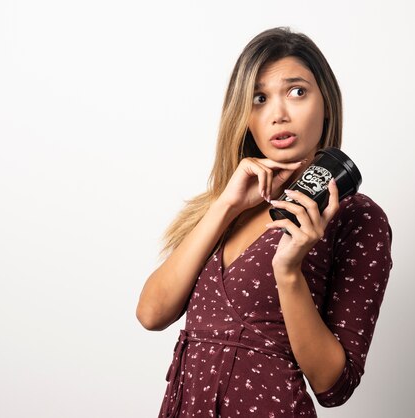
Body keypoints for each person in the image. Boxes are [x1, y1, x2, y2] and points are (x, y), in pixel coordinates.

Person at [136, 27, 393, 417]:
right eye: (259, 98)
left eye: (297, 92)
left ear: (326, 103)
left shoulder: (357, 218)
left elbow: (332, 385)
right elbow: (151, 313)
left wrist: (289, 273)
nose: (278, 114)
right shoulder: (227, 203)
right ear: (243, 114)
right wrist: (225, 206)